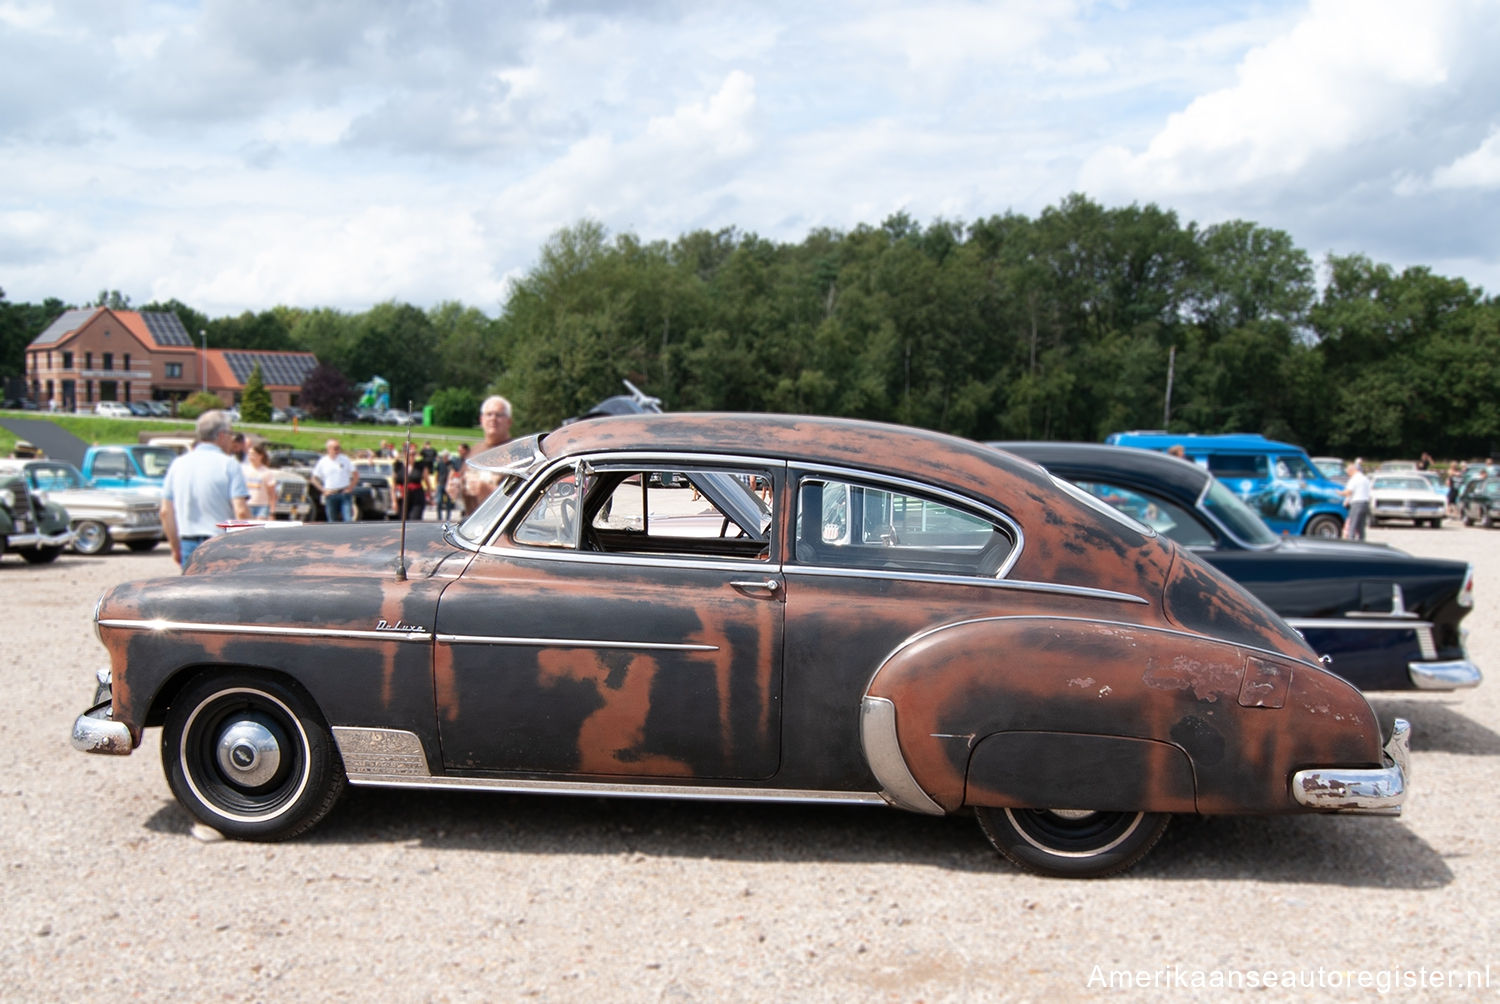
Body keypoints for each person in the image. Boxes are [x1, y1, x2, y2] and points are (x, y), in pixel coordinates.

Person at [160, 410, 250, 571]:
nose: (231, 439)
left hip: (188, 542)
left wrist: (175, 547)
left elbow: (165, 512)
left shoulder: (178, 464)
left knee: (191, 594)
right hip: (220, 543)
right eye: (230, 434)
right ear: (221, 435)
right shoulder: (229, 464)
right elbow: (241, 511)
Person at [449, 396, 512, 513]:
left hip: (503, 527)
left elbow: (526, 501)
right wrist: (455, 490)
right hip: (472, 524)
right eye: (489, 414)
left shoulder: (517, 452)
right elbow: (462, 487)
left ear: (509, 421)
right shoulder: (474, 451)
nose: (493, 418)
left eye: (498, 415)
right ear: (481, 419)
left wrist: (490, 491)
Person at [311, 438, 359, 522]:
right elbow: (313, 479)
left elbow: (356, 475)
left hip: (344, 493)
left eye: (339, 448)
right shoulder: (323, 462)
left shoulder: (345, 459)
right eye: (335, 448)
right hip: (331, 494)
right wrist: (323, 490)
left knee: (348, 520)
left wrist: (350, 488)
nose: (338, 450)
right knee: (332, 521)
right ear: (329, 449)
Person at [393, 441, 428, 521]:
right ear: (405, 454)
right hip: (402, 496)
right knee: (403, 520)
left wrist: (429, 495)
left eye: (414, 454)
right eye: (410, 454)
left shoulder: (420, 466)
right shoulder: (398, 466)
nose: (412, 456)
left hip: (417, 496)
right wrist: (394, 501)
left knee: (414, 519)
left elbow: (427, 482)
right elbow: (394, 485)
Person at [242, 442, 278, 519]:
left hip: (262, 507)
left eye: (253, 454)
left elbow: (272, 494)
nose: (251, 456)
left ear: (260, 456)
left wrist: (272, 512)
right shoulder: (243, 470)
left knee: (258, 528)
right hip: (247, 505)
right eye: (249, 454)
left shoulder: (267, 472)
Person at [1342, 459, 1371, 540]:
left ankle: (1351, 542)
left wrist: (1340, 493)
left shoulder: (1354, 479)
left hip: (1357, 503)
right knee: (1361, 526)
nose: (1348, 474)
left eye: (1348, 472)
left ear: (1351, 471)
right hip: (1365, 503)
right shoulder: (1365, 479)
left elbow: (1348, 492)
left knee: (1352, 525)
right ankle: (1362, 542)